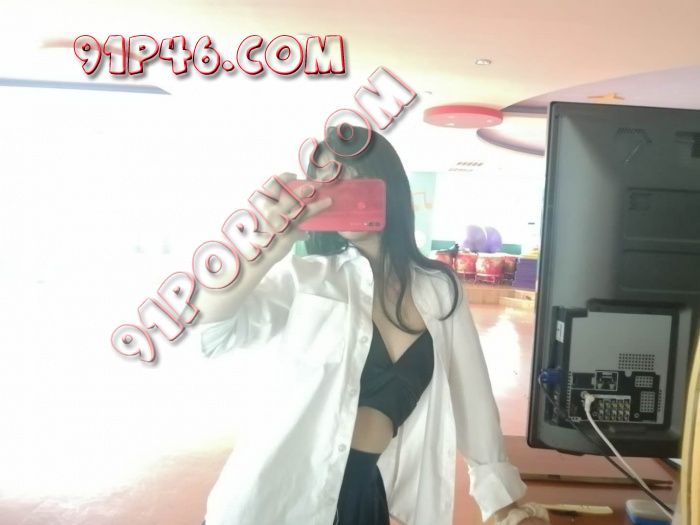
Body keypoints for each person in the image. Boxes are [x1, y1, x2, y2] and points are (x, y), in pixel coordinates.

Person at [195, 126, 550, 525]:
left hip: (363, 502)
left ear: (387, 186)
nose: (338, 192)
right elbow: (209, 335)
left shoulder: (439, 288)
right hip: (276, 499)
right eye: (326, 182)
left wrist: (502, 503)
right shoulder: (306, 278)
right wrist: (263, 249)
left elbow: (474, 398)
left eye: (351, 178)